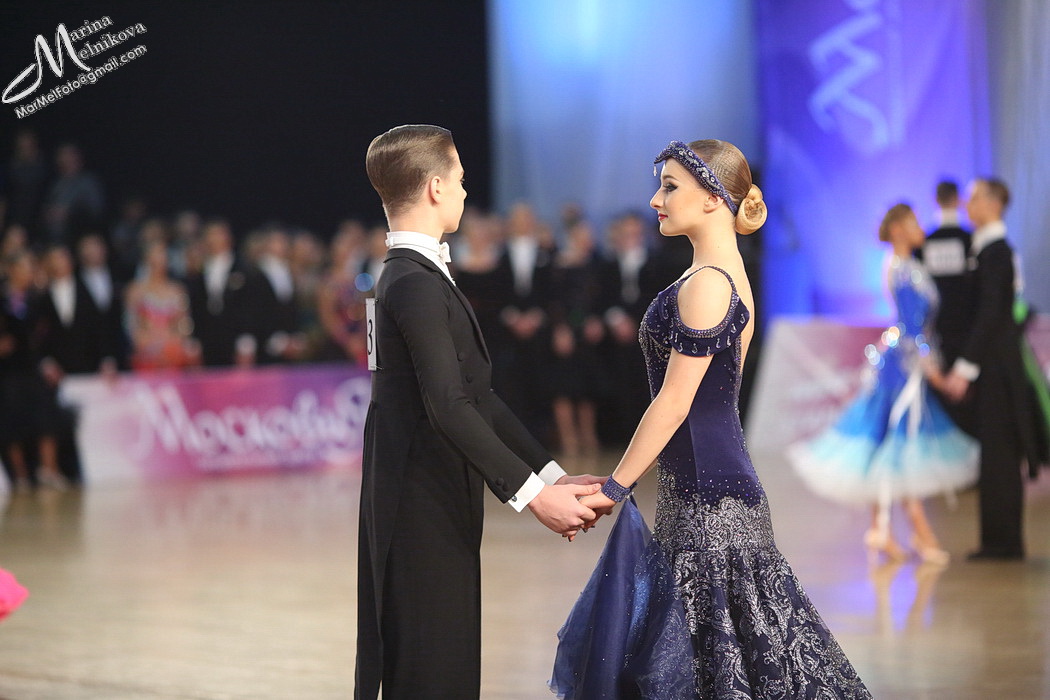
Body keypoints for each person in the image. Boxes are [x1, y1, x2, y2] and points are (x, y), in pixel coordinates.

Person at [553, 139, 872, 698]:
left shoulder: (708, 283)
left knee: (713, 667)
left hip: (710, 505)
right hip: (706, 493)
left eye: (669, 187)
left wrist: (614, 487)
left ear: (712, 198)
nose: (655, 200)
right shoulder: (722, 275)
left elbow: (675, 402)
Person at [355, 124, 603, 700]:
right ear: (436, 187)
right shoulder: (411, 283)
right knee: (431, 668)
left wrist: (551, 476)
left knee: (449, 658)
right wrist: (534, 497)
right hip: (418, 503)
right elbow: (449, 404)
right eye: (461, 179)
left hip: (439, 495)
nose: (466, 191)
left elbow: (478, 396)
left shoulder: (415, 276)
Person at [787, 204, 978, 565]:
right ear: (898, 229)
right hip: (903, 369)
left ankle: (881, 529)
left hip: (904, 364)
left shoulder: (906, 266)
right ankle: (919, 530)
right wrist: (934, 372)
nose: (920, 228)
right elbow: (912, 330)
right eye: (913, 223)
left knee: (887, 443)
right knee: (899, 445)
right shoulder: (902, 268)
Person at [938, 178, 1042, 560]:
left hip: (998, 369)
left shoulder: (997, 252)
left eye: (975, 198)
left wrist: (964, 368)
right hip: (992, 366)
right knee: (995, 455)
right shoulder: (984, 249)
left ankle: (1004, 543)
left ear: (995, 204)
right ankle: (998, 540)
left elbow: (991, 314)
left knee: (1001, 454)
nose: (968, 205)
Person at [917, 180, 972, 365]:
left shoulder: (924, 243)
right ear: (958, 199)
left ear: (935, 200)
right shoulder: (970, 240)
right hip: (966, 322)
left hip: (934, 325)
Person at [124, 240, 199, 370]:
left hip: (173, 352)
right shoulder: (135, 290)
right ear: (147, 259)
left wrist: (170, 342)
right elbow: (131, 326)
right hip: (145, 353)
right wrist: (150, 344)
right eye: (156, 254)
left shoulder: (178, 290)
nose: (160, 259)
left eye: (163, 254)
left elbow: (185, 325)